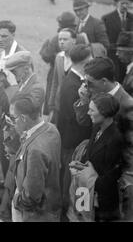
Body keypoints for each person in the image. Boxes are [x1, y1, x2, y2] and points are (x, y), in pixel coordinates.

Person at [73, 57, 133, 220]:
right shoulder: (97, 95)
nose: (87, 87)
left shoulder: (128, 106)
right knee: (83, 214)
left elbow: (130, 158)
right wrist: (84, 100)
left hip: (109, 187)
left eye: (90, 83)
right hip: (90, 174)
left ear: (104, 81)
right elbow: (85, 121)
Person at [0, 51, 45, 221]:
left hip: (25, 137)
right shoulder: (25, 83)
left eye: (15, 71)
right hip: (18, 134)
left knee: (18, 175)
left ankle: (6, 209)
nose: (13, 75)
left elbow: (26, 111)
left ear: (25, 69)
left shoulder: (36, 88)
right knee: (13, 172)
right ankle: (5, 207)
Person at [70, 93, 124, 221]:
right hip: (87, 195)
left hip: (102, 204)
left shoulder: (116, 139)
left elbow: (112, 177)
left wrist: (88, 178)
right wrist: (80, 166)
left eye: (91, 110)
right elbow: (90, 158)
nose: (88, 113)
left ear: (104, 113)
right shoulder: (96, 128)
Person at [10, 93, 62, 222]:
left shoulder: (36, 151)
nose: (12, 122)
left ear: (23, 118)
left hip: (36, 214)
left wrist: (15, 200)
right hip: (52, 202)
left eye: (13, 118)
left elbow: (31, 197)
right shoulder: (51, 129)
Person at [57, 44, 93, 220]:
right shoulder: (72, 85)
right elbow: (77, 119)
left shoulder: (72, 80)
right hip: (74, 144)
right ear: (86, 62)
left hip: (73, 142)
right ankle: (72, 214)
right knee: (73, 183)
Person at [102, 0, 133, 83]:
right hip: (112, 56)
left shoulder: (132, 18)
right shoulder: (107, 18)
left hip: (127, 57)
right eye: (122, 3)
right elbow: (104, 39)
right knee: (114, 79)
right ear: (116, 3)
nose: (124, 6)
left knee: (126, 80)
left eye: (127, 3)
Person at [48, 28, 77, 123]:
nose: (61, 42)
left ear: (74, 40)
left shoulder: (80, 59)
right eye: (60, 39)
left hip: (74, 104)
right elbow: (55, 82)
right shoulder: (59, 57)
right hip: (59, 104)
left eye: (65, 39)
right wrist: (51, 104)